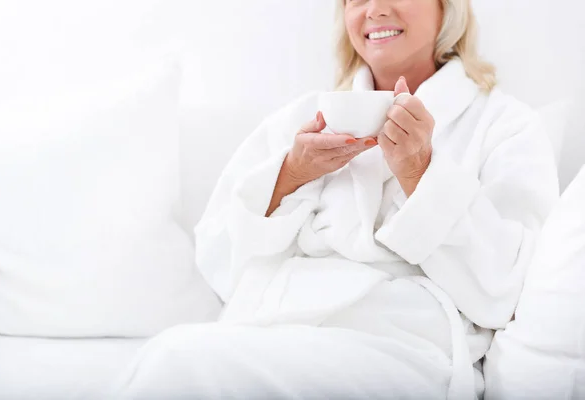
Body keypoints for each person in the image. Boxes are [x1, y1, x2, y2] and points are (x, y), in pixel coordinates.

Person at [113, 0, 559, 398]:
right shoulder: (302, 118)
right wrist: (292, 174)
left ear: (447, 8)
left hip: (402, 347)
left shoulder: (505, 126)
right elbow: (217, 257)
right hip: (273, 329)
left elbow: (507, 289)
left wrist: (420, 173)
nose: (375, 9)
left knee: (178, 360)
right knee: (176, 358)